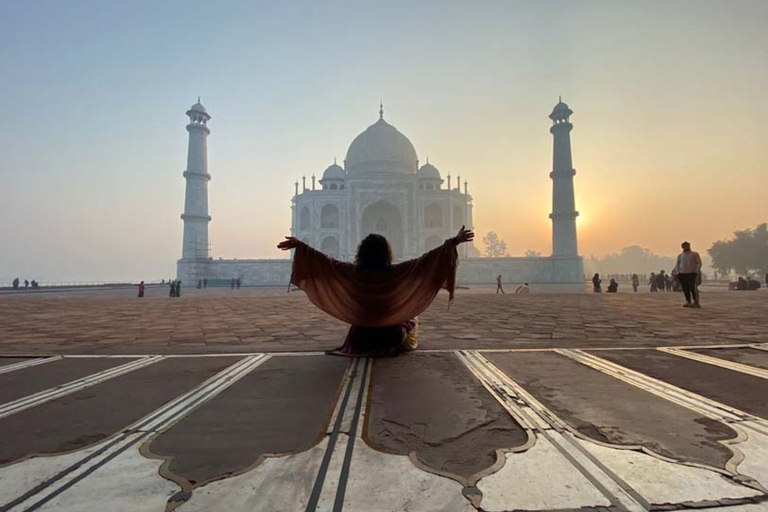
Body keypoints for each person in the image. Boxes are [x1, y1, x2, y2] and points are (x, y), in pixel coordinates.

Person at [278, 226, 474, 357]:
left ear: (360, 253)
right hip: (390, 336)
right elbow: (427, 261)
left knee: (379, 323)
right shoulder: (396, 273)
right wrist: (453, 242)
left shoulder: (352, 273)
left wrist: (299, 245)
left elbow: (323, 262)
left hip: (360, 337)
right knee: (412, 318)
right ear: (387, 253)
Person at [673, 241, 702, 308]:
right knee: (685, 288)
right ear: (682, 247)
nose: (686, 247)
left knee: (693, 288)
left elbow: (699, 263)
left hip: (692, 273)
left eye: (687, 246)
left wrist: (696, 271)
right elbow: (677, 265)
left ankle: (696, 301)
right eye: (684, 246)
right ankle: (688, 301)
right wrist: (677, 273)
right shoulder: (680, 256)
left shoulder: (695, 254)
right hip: (682, 273)